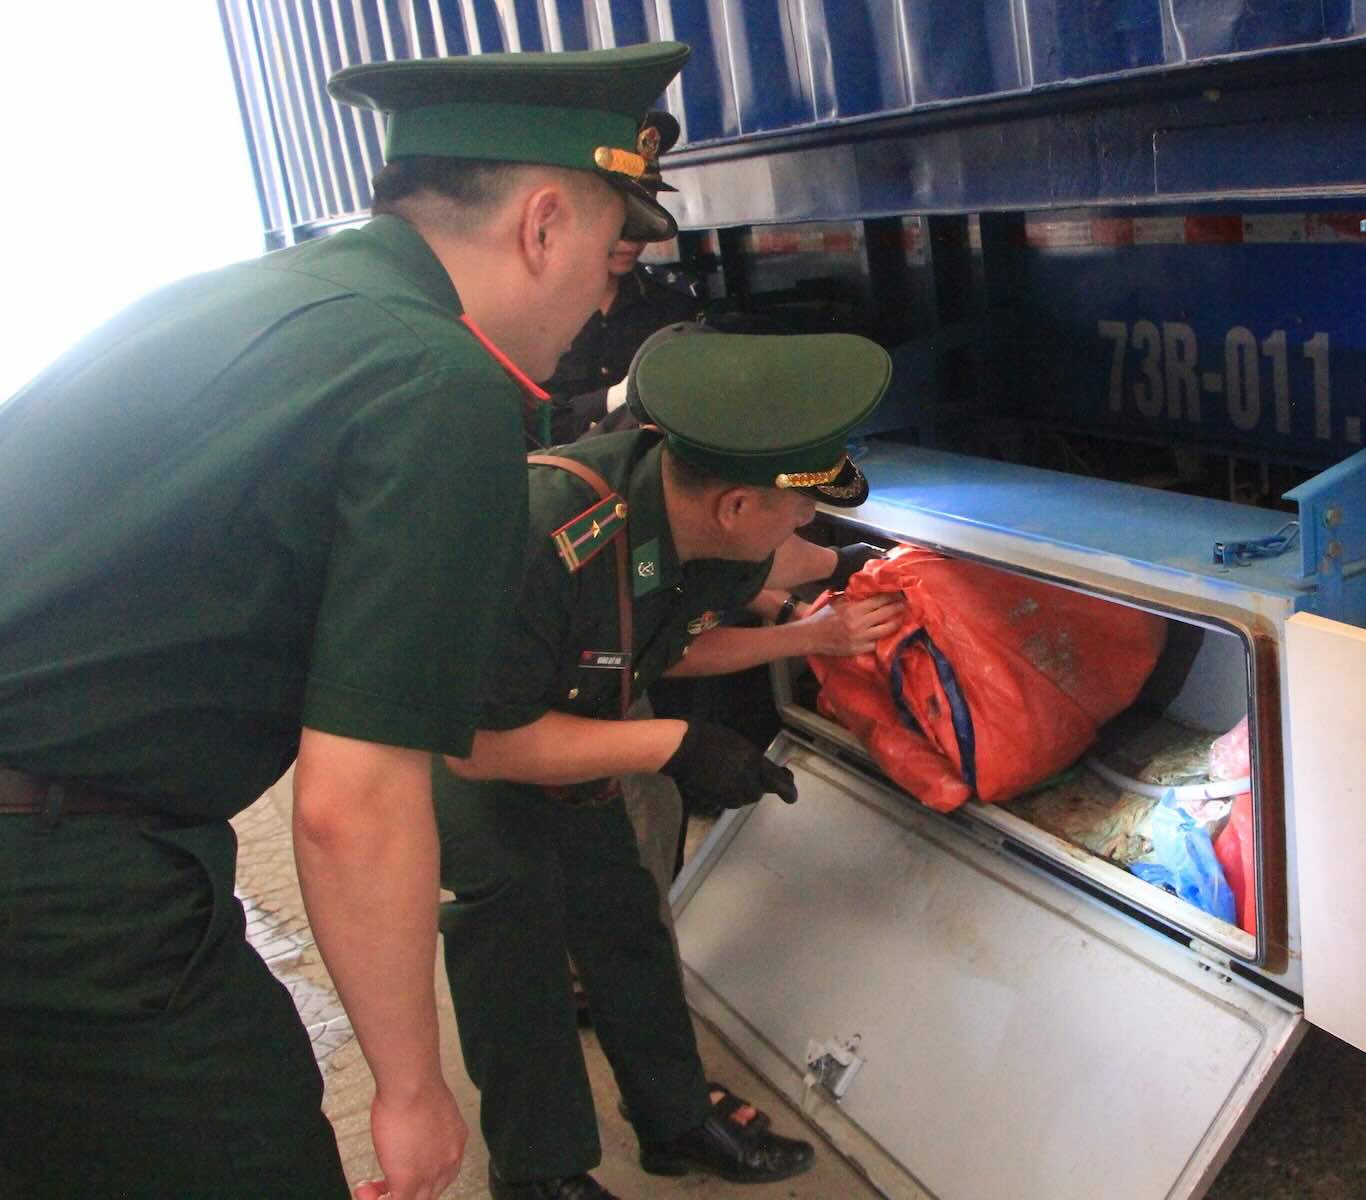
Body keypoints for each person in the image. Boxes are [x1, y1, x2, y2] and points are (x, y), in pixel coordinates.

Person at [0, 42, 691, 1200]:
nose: (605, 297)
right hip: (61, 885)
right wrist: (413, 1090)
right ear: (542, 227)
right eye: (613, 252)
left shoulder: (246, 296)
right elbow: (351, 802)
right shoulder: (435, 381)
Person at [433, 329, 899, 1200]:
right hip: (479, 755)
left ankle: (677, 1122)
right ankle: (538, 1175)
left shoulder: (706, 526)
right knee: (519, 957)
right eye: (797, 506)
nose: (807, 524)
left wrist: (810, 629)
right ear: (735, 509)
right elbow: (481, 745)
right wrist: (674, 746)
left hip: (579, 734)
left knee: (629, 928)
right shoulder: (546, 531)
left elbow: (665, 641)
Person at [539, 110, 704, 445]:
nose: (632, 239)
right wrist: (612, 400)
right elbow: (523, 428)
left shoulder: (673, 306)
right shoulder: (532, 310)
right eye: (622, 220)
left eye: (646, 219)